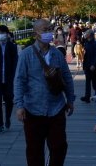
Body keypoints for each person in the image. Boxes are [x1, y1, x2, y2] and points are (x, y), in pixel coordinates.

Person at [14, 18, 76, 166]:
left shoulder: (57, 54)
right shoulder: (26, 54)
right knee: (34, 150)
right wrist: (19, 105)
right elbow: (19, 80)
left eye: (50, 29)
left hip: (56, 108)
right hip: (33, 109)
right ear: (36, 33)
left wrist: (70, 99)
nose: (49, 33)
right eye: (45, 30)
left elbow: (67, 77)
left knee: (59, 146)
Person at [81, 29, 96, 102]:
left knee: (95, 82)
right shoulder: (87, 42)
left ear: (90, 35)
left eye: (87, 33)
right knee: (87, 81)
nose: (85, 33)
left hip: (93, 66)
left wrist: (94, 64)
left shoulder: (94, 43)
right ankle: (87, 96)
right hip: (87, 65)